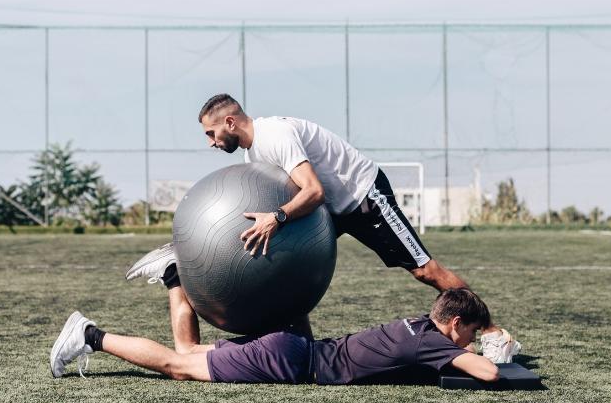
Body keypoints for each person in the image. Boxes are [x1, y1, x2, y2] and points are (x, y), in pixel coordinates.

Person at [195, 93, 466, 292]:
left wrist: (276, 218)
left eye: (211, 133)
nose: (210, 143)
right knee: (289, 271)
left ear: (230, 122)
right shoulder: (252, 154)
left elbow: (314, 191)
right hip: (331, 212)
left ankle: (490, 331)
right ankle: (296, 348)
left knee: (425, 271)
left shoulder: (275, 135)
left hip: (363, 196)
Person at [50, 287, 520, 384]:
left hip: (298, 343)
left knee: (186, 353)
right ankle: (90, 334)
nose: (468, 344)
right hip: (293, 360)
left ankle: (176, 276)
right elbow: (488, 375)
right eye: (470, 334)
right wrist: (492, 353)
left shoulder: (419, 323)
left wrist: (481, 342)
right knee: (181, 367)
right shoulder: (432, 340)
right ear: (454, 323)